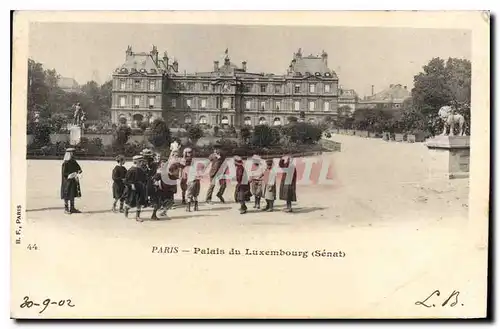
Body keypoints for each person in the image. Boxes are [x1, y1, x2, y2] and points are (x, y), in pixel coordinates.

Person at [123, 155, 148, 222]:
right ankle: (126, 208)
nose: (142, 163)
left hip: (140, 188)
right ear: (136, 162)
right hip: (133, 190)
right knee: (131, 204)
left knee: (139, 203)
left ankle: (137, 216)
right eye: (140, 162)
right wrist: (131, 184)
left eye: (142, 162)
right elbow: (126, 181)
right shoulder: (131, 170)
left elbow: (144, 178)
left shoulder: (141, 170)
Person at [60, 147, 83, 214]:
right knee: (66, 195)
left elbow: (79, 169)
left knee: (72, 194)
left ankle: (72, 208)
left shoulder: (74, 162)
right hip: (67, 182)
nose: (74, 155)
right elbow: (64, 173)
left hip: (73, 181)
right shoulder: (65, 163)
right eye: (72, 153)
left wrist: (79, 172)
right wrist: (70, 175)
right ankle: (66, 208)